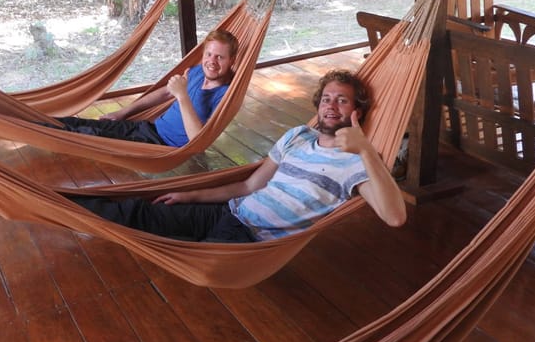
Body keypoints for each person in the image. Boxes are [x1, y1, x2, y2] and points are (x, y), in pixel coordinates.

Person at [71, 69, 407, 242]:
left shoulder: (358, 163)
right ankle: (58, 205)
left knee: (195, 257)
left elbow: (394, 217)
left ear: (357, 111)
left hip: (248, 237)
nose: (331, 106)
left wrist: (365, 149)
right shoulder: (298, 135)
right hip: (228, 212)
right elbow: (248, 187)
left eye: (342, 100)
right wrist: (191, 195)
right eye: (326, 99)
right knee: (138, 211)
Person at [47, 28, 238, 147]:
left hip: (158, 145)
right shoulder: (196, 72)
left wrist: (182, 95)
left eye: (219, 57)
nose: (211, 62)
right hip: (147, 128)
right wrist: (123, 112)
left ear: (232, 61)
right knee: (89, 124)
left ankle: (38, 130)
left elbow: (198, 141)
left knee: (89, 136)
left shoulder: (225, 95)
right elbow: (164, 93)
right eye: (209, 54)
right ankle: (33, 122)